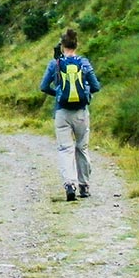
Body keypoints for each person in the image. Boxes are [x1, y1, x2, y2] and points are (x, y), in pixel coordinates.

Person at [39, 28, 101, 202]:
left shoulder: (55, 64)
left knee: (65, 149)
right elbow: (96, 86)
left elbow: (44, 87)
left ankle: (69, 184)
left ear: (62, 45)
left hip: (62, 112)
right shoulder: (84, 62)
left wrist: (59, 94)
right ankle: (84, 186)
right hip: (81, 112)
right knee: (81, 148)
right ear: (76, 44)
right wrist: (86, 93)